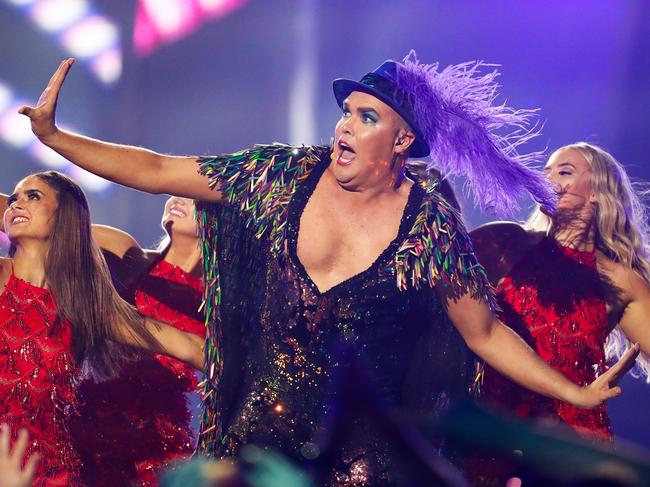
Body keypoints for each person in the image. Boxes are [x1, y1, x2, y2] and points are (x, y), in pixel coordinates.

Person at [18, 56, 638, 485]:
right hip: (258, 432)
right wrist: (55, 138)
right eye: (348, 112)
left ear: (401, 142)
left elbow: (482, 333)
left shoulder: (427, 227)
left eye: (367, 118)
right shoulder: (282, 175)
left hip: (362, 452)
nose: (344, 125)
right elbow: (157, 170)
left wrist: (572, 391)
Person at [0, 171, 204, 486]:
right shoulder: (4, 276)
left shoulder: (86, 303)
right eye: (14, 199)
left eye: (32, 196)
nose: (15, 204)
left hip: (60, 474)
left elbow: (190, 347)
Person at [70, 196, 204, 486]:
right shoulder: (124, 252)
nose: (177, 198)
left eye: (193, 196)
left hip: (155, 455)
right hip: (84, 431)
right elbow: (48, 221)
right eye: (174, 189)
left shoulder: (217, 307)